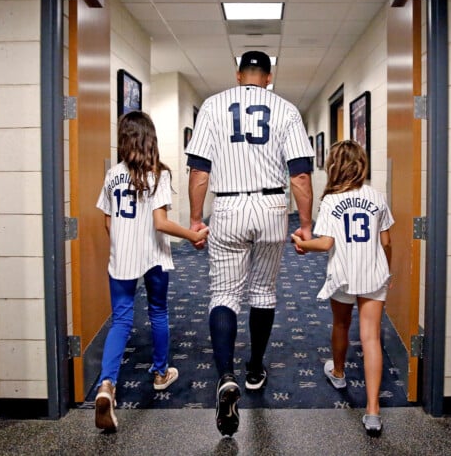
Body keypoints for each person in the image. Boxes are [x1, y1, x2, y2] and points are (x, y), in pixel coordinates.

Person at [185, 50, 314, 437]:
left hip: (228, 205)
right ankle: (255, 366)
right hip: (273, 206)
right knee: (263, 290)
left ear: (239, 75)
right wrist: (306, 224)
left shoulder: (212, 106)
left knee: (224, 293)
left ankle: (226, 375)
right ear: (269, 77)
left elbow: (199, 171)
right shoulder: (287, 110)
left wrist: (195, 219)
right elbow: (301, 176)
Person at [93, 111, 210, 432]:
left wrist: (121, 244)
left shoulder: (112, 174)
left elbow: (106, 220)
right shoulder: (158, 174)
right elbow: (160, 222)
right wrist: (193, 234)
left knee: (121, 319)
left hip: (122, 257)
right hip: (154, 255)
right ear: (150, 139)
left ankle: (106, 385)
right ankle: (160, 373)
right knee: (158, 312)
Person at [291, 140, 393, 437]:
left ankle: (338, 372)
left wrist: (301, 243)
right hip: (373, 275)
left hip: (343, 275)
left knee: (340, 323)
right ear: (361, 164)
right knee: (371, 337)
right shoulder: (376, 197)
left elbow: (324, 243)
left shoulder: (332, 201)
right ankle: (373, 411)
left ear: (334, 166)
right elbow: (386, 242)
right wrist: (387, 269)